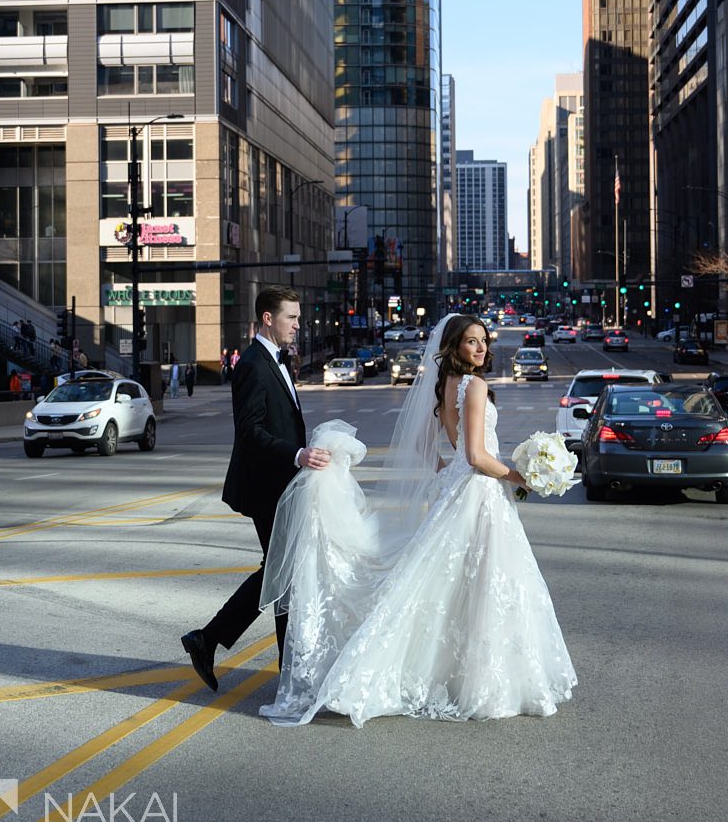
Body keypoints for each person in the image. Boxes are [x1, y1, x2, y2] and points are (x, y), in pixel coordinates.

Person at [258, 313, 576, 728]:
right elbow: (479, 457)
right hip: (479, 496)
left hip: (460, 491)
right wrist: (523, 477)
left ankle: (454, 675)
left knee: (450, 584)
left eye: (483, 341)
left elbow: (431, 450)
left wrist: (449, 474)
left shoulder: (445, 386)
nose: (480, 349)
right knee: (483, 583)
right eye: (471, 342)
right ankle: (482, 683)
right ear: (454, 347)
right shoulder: (475, 386)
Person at [181, 287, 331, 692]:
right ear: (268, 318)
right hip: (267, 487)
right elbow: (250, 432)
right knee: (282, 573)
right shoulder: (252, 364)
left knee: (282, 574)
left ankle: (214, 642)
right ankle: (221, 644)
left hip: (282, 485)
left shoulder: (276, 360)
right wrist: (297, 454)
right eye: (292, 318)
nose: (298, 325)